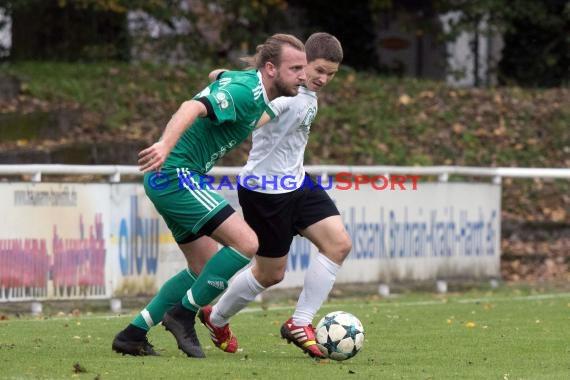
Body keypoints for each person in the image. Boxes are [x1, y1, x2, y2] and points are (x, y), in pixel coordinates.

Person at [111, 33, 307, 358]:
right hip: (175, 175)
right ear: (271, 69)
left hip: (171, 178)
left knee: (201, 267)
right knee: (246, 243)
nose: (303, 75)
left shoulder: (247, 85)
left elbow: (217, 75)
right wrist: (165, 145)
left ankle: (132, 335)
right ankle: (183, 314)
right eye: (296, 68)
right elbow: (193, 106)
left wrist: (221, 77)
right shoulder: (247, 92)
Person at [197, 32, 349, 358]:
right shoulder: (285, 97)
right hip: (265, 193)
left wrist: (224, 77)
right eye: (318, 70)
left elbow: (217, 76)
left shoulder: (301, 91)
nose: (323, 79)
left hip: (297, 182)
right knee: (270, 274)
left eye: (331, 74)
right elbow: (253, 118)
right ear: (301, 63)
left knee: (339, 244)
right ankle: (216, 317)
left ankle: (300, 321)